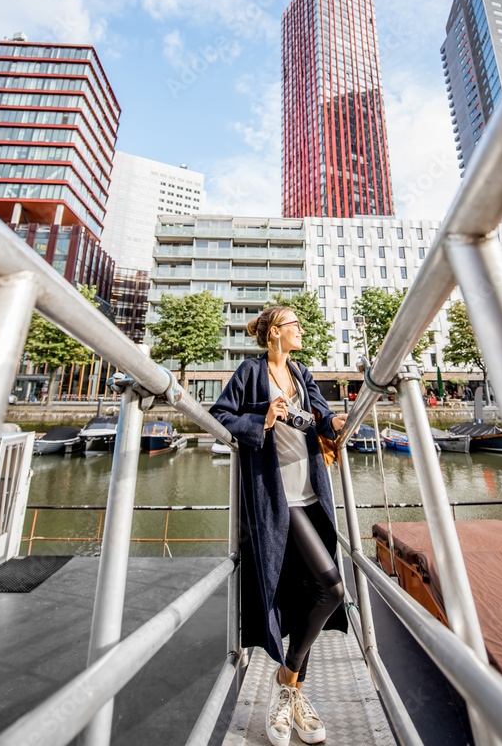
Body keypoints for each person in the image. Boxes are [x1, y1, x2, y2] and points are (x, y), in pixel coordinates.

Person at [209, 306, 347, 746]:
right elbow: (219, 416)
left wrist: (335, 421)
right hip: (276, 498)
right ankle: (290, 687)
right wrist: (261, 420)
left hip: (310, 492)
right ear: (274, 333)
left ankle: (289, 690)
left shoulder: (302, 371)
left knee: (314, 591)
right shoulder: (250, 372)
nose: (301, 330)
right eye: (294, 325)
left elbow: (321, 415)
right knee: (332, 587)